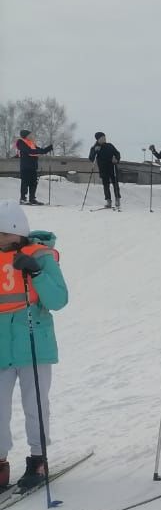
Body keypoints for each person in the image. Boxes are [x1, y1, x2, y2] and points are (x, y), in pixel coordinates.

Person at [0, 201, 67, 492]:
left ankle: (38, 459)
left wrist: (37, 273)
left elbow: (58, 300)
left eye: (4, 234)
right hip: (2, 345)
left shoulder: (40, 256)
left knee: (34, 404)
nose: (0, 240)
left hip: (33, 340)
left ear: (18, 232)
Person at [14, 129, 53, 206]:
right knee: (25, 183)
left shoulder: (32, 144)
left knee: (33, 183)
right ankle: (23, 199)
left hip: (33, 167)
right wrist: (39, 151)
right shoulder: (21, 142)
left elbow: (41, 151)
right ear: (26, 136)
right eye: (30, 135)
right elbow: (29, 151)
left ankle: (32, 199)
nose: (31, 136)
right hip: (25, 167)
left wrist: (49, 148)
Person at [88, 131, 122, 210]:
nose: (104, 139)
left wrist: (116, 159)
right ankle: (108, 201)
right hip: (103, 168)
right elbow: (91, 158)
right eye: (102, 138)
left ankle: (117, 199)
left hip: (112, 167)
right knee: (106, 185)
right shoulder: (94, 148)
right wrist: (95, 151)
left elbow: (117, 153)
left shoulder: (110, 145)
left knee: (115, 183)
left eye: (105, 137)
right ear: (98, 139)